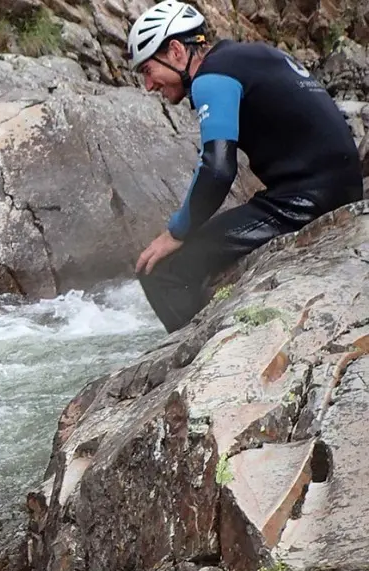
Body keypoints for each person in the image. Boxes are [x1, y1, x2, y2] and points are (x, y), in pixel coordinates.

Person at [127, 0, 364, 333]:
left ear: (177, 51)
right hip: (337, 186)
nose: (149, 85)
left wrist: (176, 232)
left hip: (306, 199)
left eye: (148, 70)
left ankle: (192, 360)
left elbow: (217, 169)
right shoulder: (249, 55)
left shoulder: (212, 78)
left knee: (161, 269)